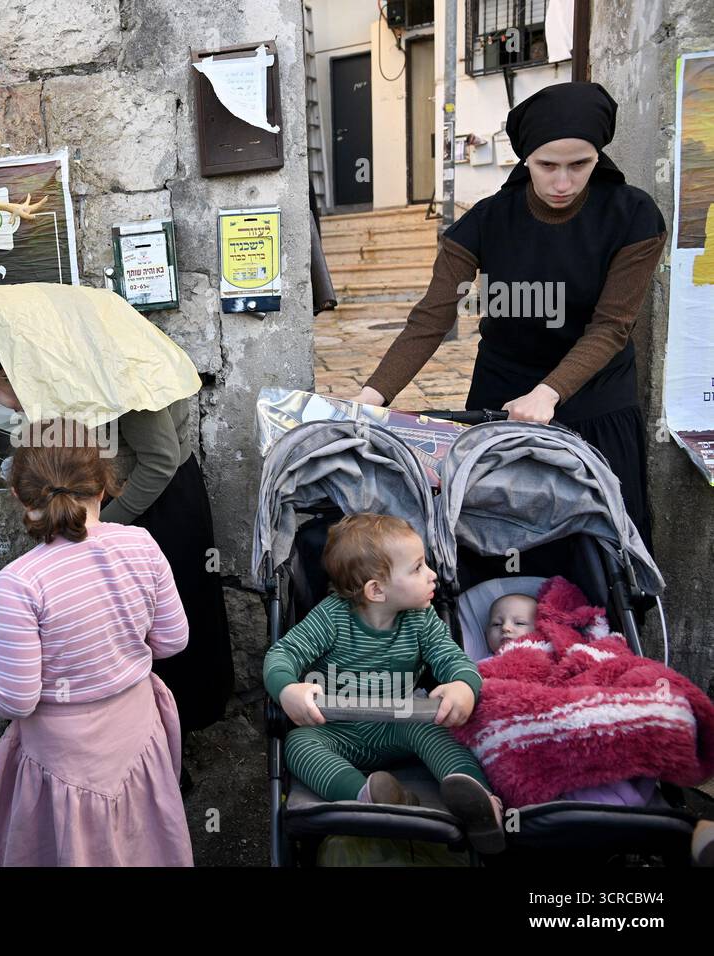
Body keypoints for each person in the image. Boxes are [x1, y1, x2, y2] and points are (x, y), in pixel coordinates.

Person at [354, 83, 666, 548]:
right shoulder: (486, 221)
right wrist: (372, 394)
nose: (563, 183)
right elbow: (431, 319)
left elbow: (612, 327)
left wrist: (549, 392)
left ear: (598, 157)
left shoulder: (633, 216)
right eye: (547, 166)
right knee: (498, 535)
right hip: (502, 396)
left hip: (594, 396)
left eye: (579, 165)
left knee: (599, 545)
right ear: (526, 160)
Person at [0, 283, 234, 787]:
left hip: (155, 505)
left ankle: (166, 750)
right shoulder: (56, 359)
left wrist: (93, 531)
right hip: (98, 509)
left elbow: (160, 461)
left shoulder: (114, 361)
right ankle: (109, 746)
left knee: (154, 629)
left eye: (0, 380)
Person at [0, 427, 194, 866]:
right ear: (105, 484)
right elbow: (173, 640)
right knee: (144, 844)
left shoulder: (19, 582)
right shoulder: (142, 544)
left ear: (18, 495)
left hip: (63, 762)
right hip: (136, 738)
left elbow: (17, 696)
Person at [262, 513, 505, 853]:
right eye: (418, 568)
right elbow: (283, 654)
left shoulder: (422, 620)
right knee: (299, 744)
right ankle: (366, 796)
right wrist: (288, 688)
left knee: (437, 729)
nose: (432, 574)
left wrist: (464, 685)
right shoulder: (331, 617)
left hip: (400, 723)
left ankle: (478, 801)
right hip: (338, 728)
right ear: (376, 590)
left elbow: (453, 659)